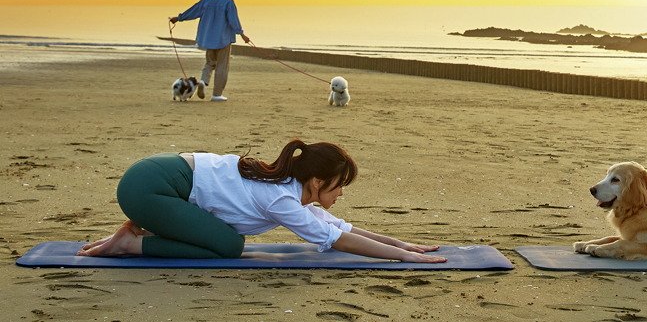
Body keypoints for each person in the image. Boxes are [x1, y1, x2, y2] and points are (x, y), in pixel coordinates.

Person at [77, 140, 446, 263]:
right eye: (337, 187)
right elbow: (335, 240)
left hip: (156, 176)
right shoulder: (283, 199)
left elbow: (340, 228)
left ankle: (138, 233)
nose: (341, 195)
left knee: (222, 240)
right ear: (317, 183)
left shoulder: (292, 188)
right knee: (226, 245)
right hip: (150, 186)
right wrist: (403, 259)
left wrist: (401, 244)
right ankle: (131, 242)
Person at [169, 0, 249, 102]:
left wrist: (178, 18)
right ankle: (217, 94)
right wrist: (242, 34)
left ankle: (203, 81)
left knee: (210, 63)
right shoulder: (228, 3)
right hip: (223, 40)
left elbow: (193, 11)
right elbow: (233, 21)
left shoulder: (206, 1)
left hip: (208, 39)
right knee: (222, 66)